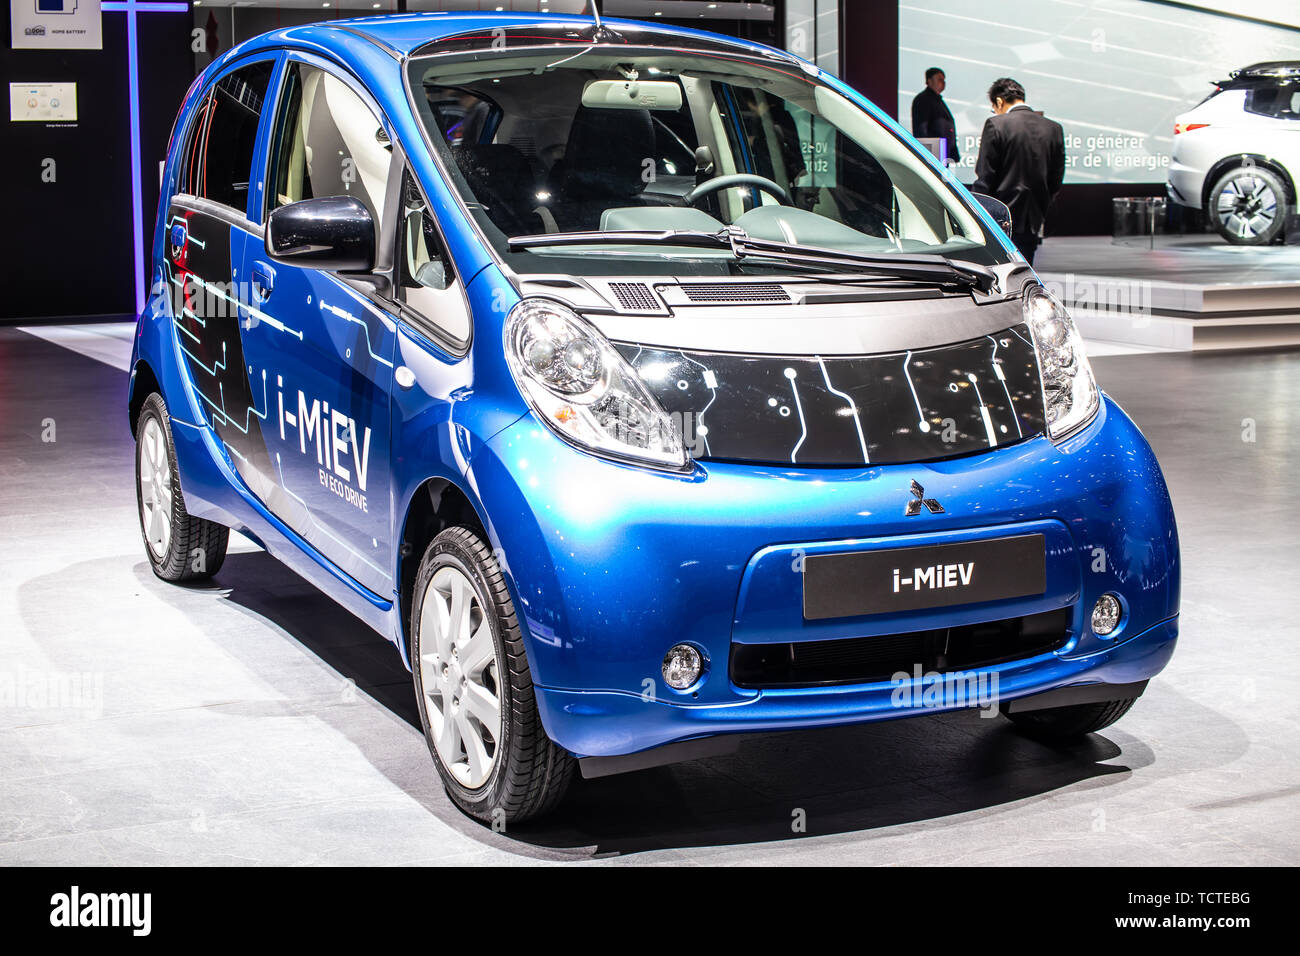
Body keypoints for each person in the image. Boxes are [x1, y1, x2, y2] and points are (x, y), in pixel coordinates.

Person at [973, 77, 1065, 265]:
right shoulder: (1053, 128)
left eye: (994, 107)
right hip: (1035, 214)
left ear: (999, 101)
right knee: (1026, 268)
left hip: (1000, 215)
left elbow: (986, 175)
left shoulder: (996, 124)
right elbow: (1056, 177)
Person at [910, 67, 959, 165]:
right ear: (929, 81)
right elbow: (921, 129)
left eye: (944, 80)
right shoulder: (923, 99)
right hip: (933, 154)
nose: (943, 83)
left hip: (941, 153)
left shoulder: (937, 100)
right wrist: (926, 153)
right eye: (939, 79)